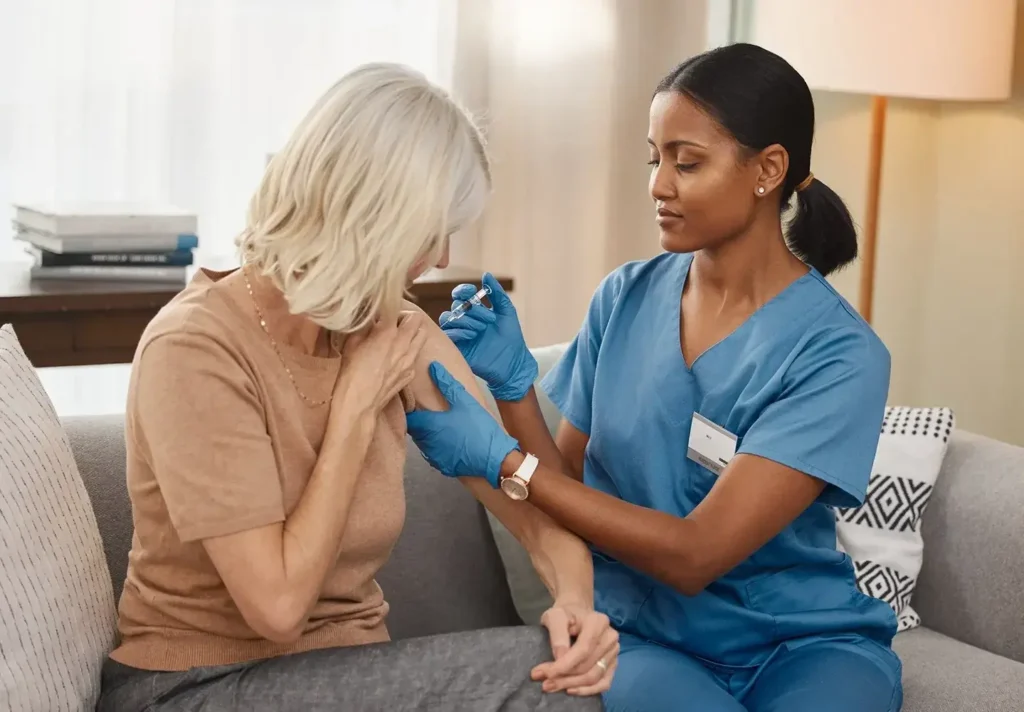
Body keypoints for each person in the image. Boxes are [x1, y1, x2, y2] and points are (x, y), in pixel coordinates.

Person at [96, 63, 618, 712]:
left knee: (565, 664)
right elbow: (277, 609)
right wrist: (353, 412)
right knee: (543, 681)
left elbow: (540, 527)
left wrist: (576, 606)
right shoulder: (196, 349)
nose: (441, 256)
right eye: (433, 231)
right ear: (375, 216)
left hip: (348, 673)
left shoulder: (395, 331)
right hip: (196, 685)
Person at [403, 43, 903, 712]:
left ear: (768, 170)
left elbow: (697, 555)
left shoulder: (839, 353)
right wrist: (514, 389)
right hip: (639, 635)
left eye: (686, 162)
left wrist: (505, 461)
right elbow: (571, 491)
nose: (658, 186)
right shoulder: (625, 298)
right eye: (654, 159)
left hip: (805, 645)